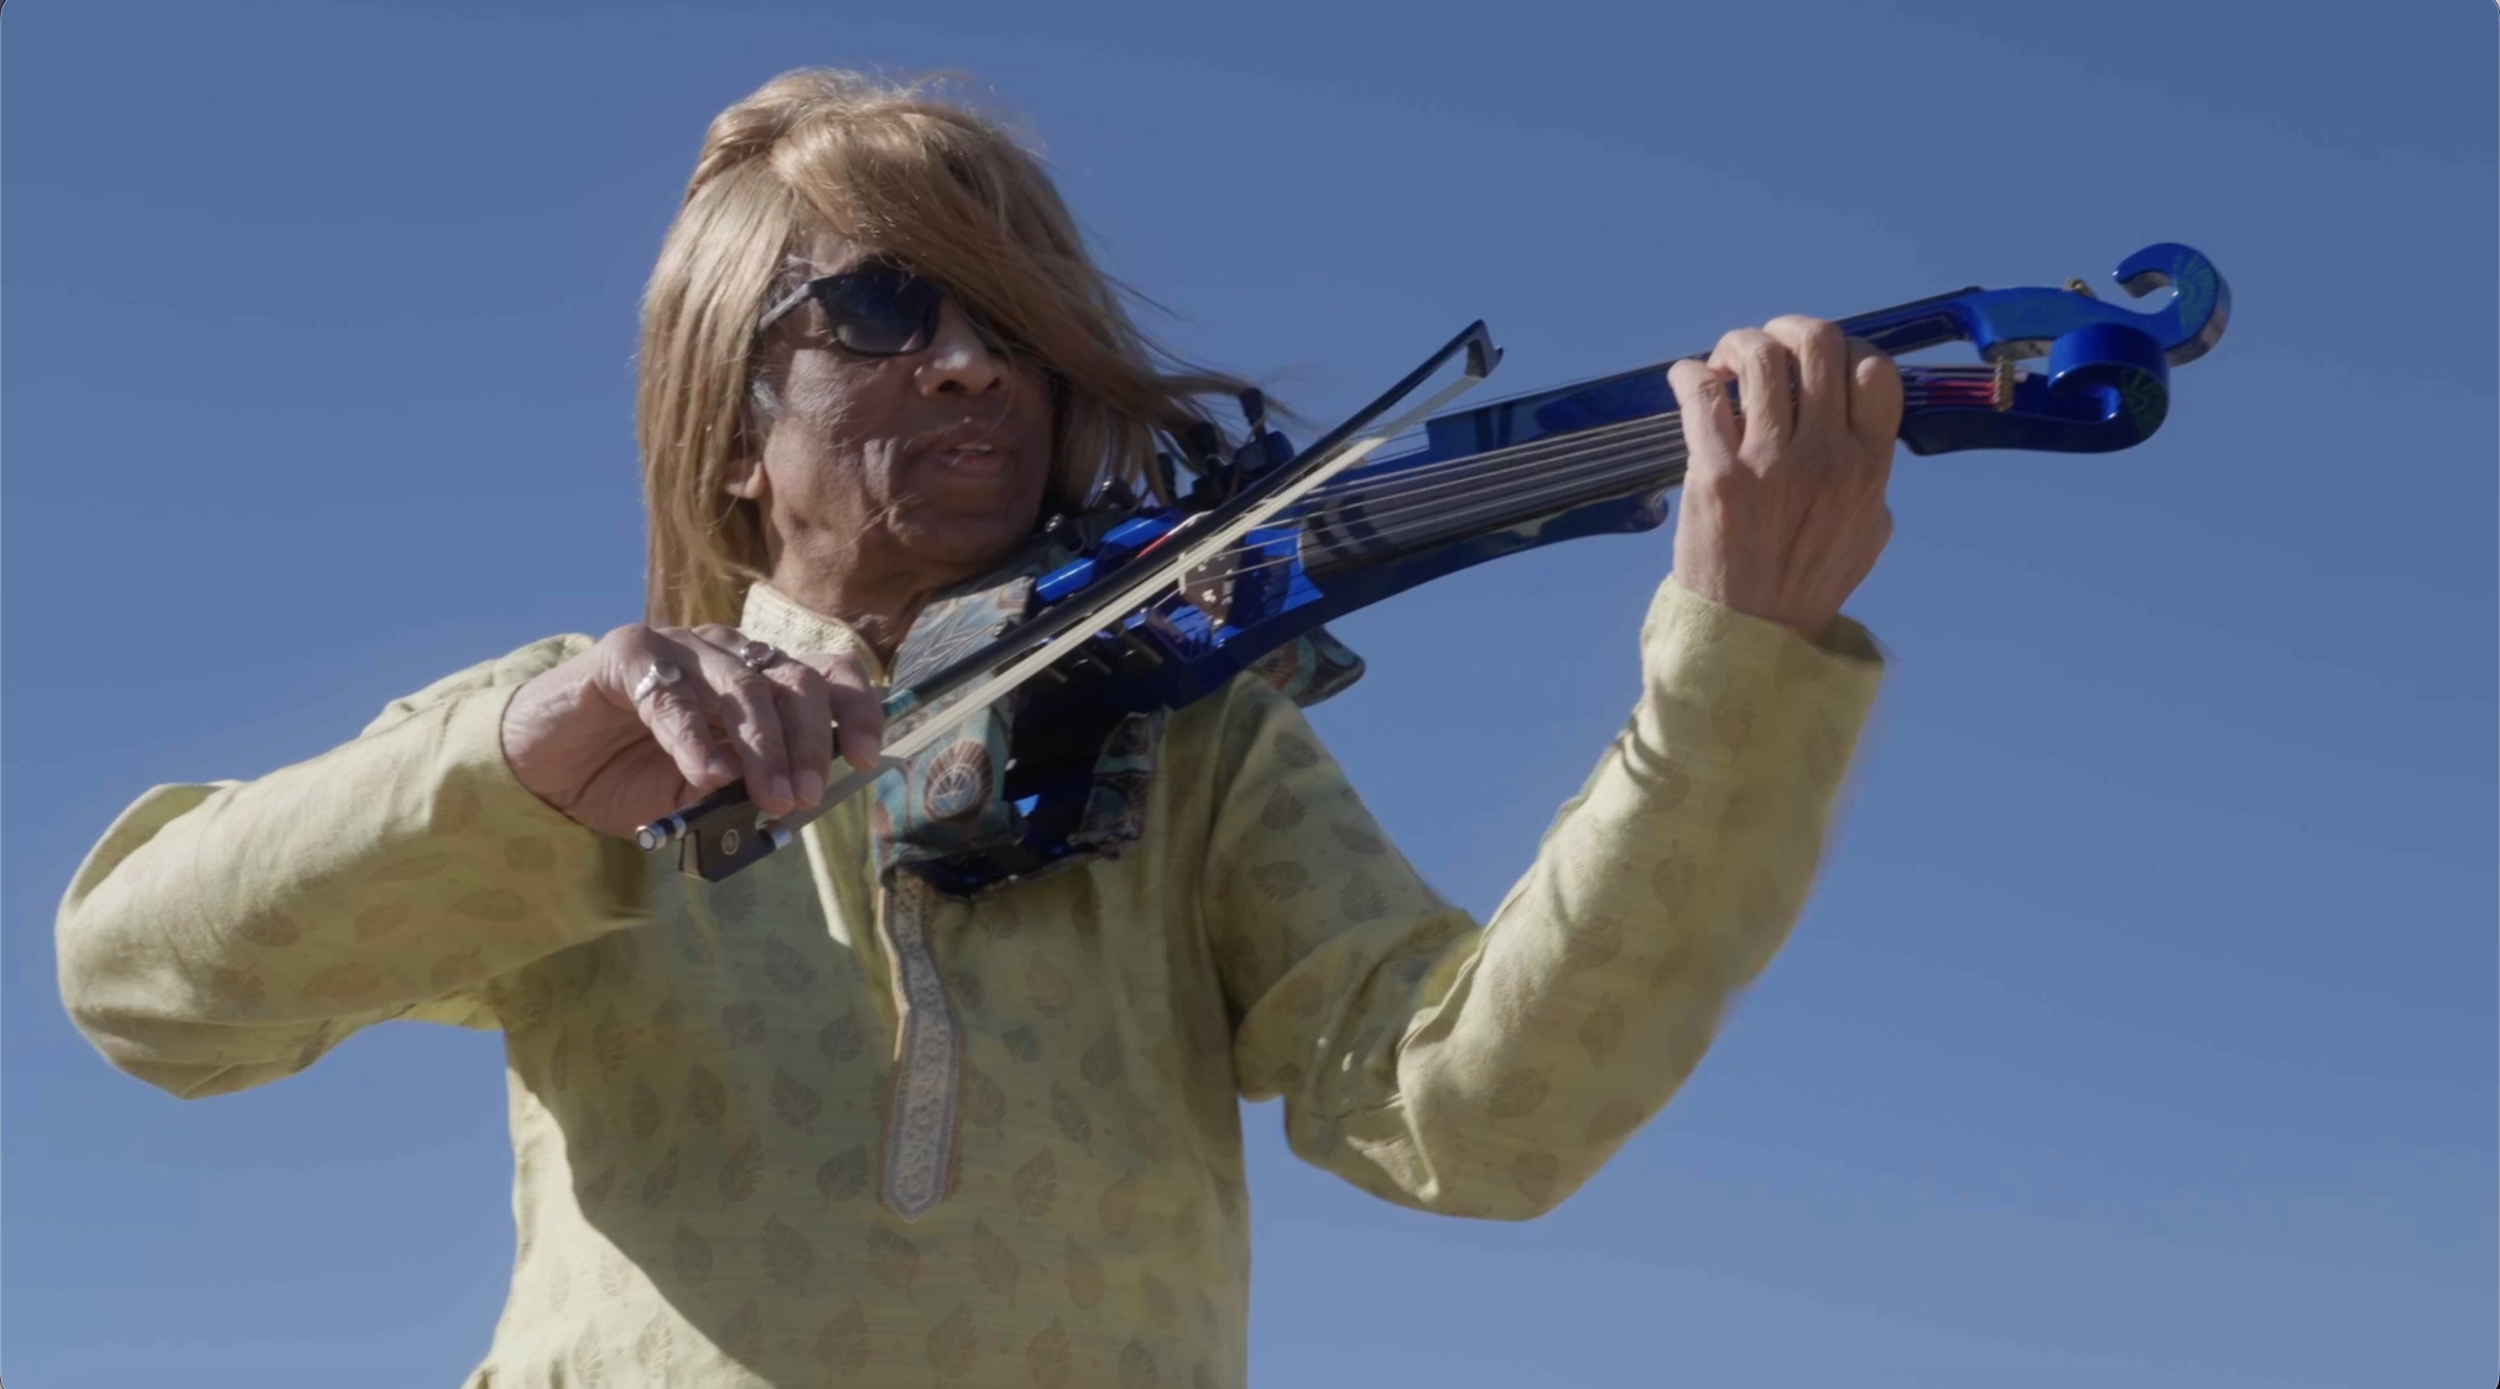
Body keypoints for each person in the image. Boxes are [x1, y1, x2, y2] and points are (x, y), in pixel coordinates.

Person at [56, 68, 1896, 1388]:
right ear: (727, 424)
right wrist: (515, 770)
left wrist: (1735, 668)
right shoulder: (591, 730)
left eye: (1014, 325)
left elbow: (1480, 1121)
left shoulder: (1194, 749)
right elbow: (142, 985)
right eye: (879, 309)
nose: (970, 362)